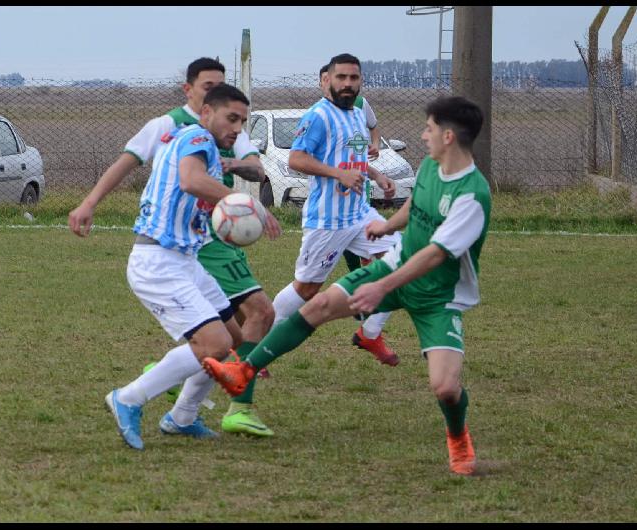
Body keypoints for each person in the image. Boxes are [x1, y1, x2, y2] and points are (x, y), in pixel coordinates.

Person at [204, 95, 491, 476]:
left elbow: (435, 255)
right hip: (395, 265)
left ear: (450, 136)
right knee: (316, 306)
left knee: (445, 388)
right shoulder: (430, 167)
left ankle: (458, 436)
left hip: (438, 296)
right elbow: (415, 206)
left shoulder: (472, 194)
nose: (424, 135)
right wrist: (388, 226)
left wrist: (381, 286)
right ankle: (244, 372)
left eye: (430, 128)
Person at [69, 58, 280, 438]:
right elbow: (190, 181)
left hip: (185, 261)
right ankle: (128, 398)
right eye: (231, 119)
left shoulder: (203, 145)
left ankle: (182, 416)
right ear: (206, 111)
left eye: (243, 122)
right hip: (158, 262)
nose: (237, 128)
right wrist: (246, 205)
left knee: (232, 340)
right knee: (213, 344)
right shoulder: (196, 137)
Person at [318, 63, 396, 362]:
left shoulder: (357, 111)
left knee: (399, 261)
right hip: (329, 214)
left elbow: (356, 155)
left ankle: (371, 329)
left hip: (359, 208)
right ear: (325, 81)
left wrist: (374, 174)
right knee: (305, 289)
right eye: (338, 78)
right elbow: (297, 160)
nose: (345, 84)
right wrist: (338, 174)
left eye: (353, 78)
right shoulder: (319, 117)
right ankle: (255, 344)